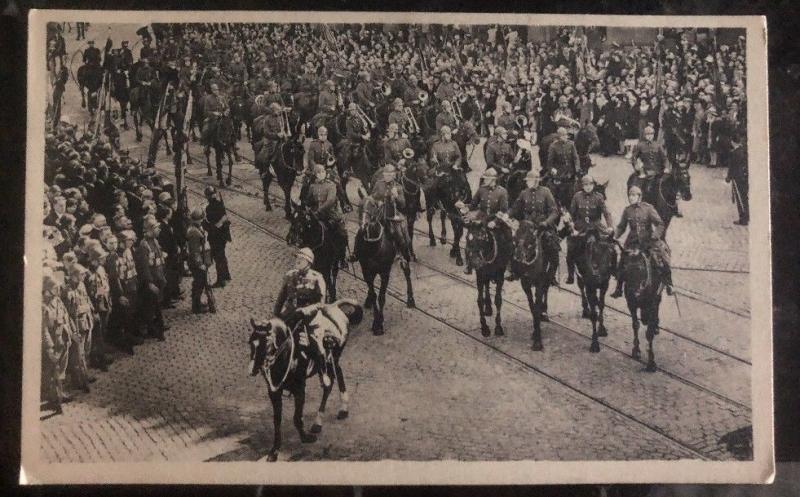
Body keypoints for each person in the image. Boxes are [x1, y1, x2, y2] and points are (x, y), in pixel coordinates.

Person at [610, 185, 673, 298]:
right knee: (622, 262)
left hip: (648, 241)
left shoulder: (648, 208)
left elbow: (660, 224)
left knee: (661, 258)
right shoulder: (627, 210)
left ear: (639, 197)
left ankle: (669, 283)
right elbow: (621, 227)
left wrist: (655, 235)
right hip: (632, 242)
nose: (631, 198)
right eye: (630, 195)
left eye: (634, 195)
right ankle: (619, 288)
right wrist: (615, 236)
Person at [507, 170, 560, 286]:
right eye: (527, 181)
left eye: (530, 181)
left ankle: (551, 275)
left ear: (536, 181)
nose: (528, 183)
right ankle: (514, 271)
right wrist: (507, 214)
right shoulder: (523, 193)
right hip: (527, 226)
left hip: (542, 226)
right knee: (514, 243)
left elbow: (554, 211)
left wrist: (546, 222)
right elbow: (515, 208)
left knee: (553, 249)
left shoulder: (546, 192)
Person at [566, 174, 614, 285]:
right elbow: (572, 213)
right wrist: (571, 226)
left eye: (590, 184)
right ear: (582, 186)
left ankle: (613, 270)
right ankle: (570, 274)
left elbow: (606, 213)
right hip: (581, 227)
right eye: (585, 185)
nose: (588, 187)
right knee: (571, 248)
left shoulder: (599, 197)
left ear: (593, 185)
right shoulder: (577, 197)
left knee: (610, 246)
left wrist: (610, 226)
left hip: (596, 226)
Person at [463, 167, 509, 275]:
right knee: (470, 238)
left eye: (487, 179)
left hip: (495, 220)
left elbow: (503, 211)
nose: (484, 181)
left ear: (493, 179)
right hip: (481, 219)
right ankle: (469, 264)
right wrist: (466, 208)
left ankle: (507, 266)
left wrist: (496, 222)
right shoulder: (481, 189)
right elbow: (473, 204)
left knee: (506, 239)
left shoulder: (502, 192)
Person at [305, 164, 349, 268]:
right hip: (316, 215)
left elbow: (330, 201)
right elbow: (308, 200)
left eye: (323, 172)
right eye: (319, 173)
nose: (322, 174)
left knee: (342, 234)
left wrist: (318, 210)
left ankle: (342, 258)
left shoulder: (331, 185)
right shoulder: (312, 186)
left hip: (330, 214)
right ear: (315, 175)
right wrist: (307, 207)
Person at [42, 271, 73, 414]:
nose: (58, 290)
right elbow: (44, 330)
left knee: (62, 369)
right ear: (48, 289)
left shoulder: (58, 301)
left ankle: (60, 393)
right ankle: (55, 399)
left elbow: (66, 317)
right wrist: (49, 348)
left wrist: (71, 333)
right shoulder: (44, 307)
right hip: (54, 344)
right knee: (53, 372)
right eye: (55, 288)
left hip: (63, 340)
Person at [273, 248, 327, 331]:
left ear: (308, 263)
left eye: (301, 259)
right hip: (289, 314)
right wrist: (275, 316)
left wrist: (306, 310)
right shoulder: (290, 275)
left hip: (308, 318)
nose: (297, 260)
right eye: (297, 258)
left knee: (312, 340)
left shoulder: (317, 278)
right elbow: (281, 298)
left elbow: (320, 304)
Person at [62, 263, 94, 393]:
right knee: (78, 355)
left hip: (87, 322)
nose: (84, 275)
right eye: (81, 274)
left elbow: (87, 300)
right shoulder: (67, 292)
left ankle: (83, 375)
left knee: (85, 351)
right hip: (77, 327)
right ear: (74, 276)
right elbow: (68, 315)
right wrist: (73, 332)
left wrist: (93, 312)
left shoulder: (81, 285)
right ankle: (81, 381)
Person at [135, 215, 168, 340]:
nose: (159, 229)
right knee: (150, 308)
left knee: (156, 305)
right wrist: (149, 283)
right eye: (156, 227)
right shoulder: (144, 246)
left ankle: (157, 327)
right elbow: (144, 267)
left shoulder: (154, 241)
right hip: (152, 282)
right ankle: (153, 330)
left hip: (158, 279)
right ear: (149, 230)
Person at [186, 207, 217, 314]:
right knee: (198, 284)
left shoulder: (197, 228)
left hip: (202, 261)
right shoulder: (194, 232)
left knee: (201, 283)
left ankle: (197, 303)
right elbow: (195, 251)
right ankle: (196, 306)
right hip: (197, 263)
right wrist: (200, 264)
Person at [203, 186, 232, 287]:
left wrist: (203, 223)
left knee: (218, 258)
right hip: (223, 236)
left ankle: (221, 280)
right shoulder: (220, 204)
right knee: (222, 256)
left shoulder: (209, 208)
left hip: (216, 237)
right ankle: (226, 275)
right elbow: (224, 218)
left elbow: (211, 225)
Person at [630, 125, 668, 200]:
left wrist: (666, 167)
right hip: (646, 171)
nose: (649, 136)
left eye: (651, 134)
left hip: (658, 171)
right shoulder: (640, 145)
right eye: (647, 134)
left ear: (653, 135)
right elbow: (633, 158)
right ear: (644, 136)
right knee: (639, 188)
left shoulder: (658, 145)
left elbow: (664, 158)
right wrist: (638, 168)